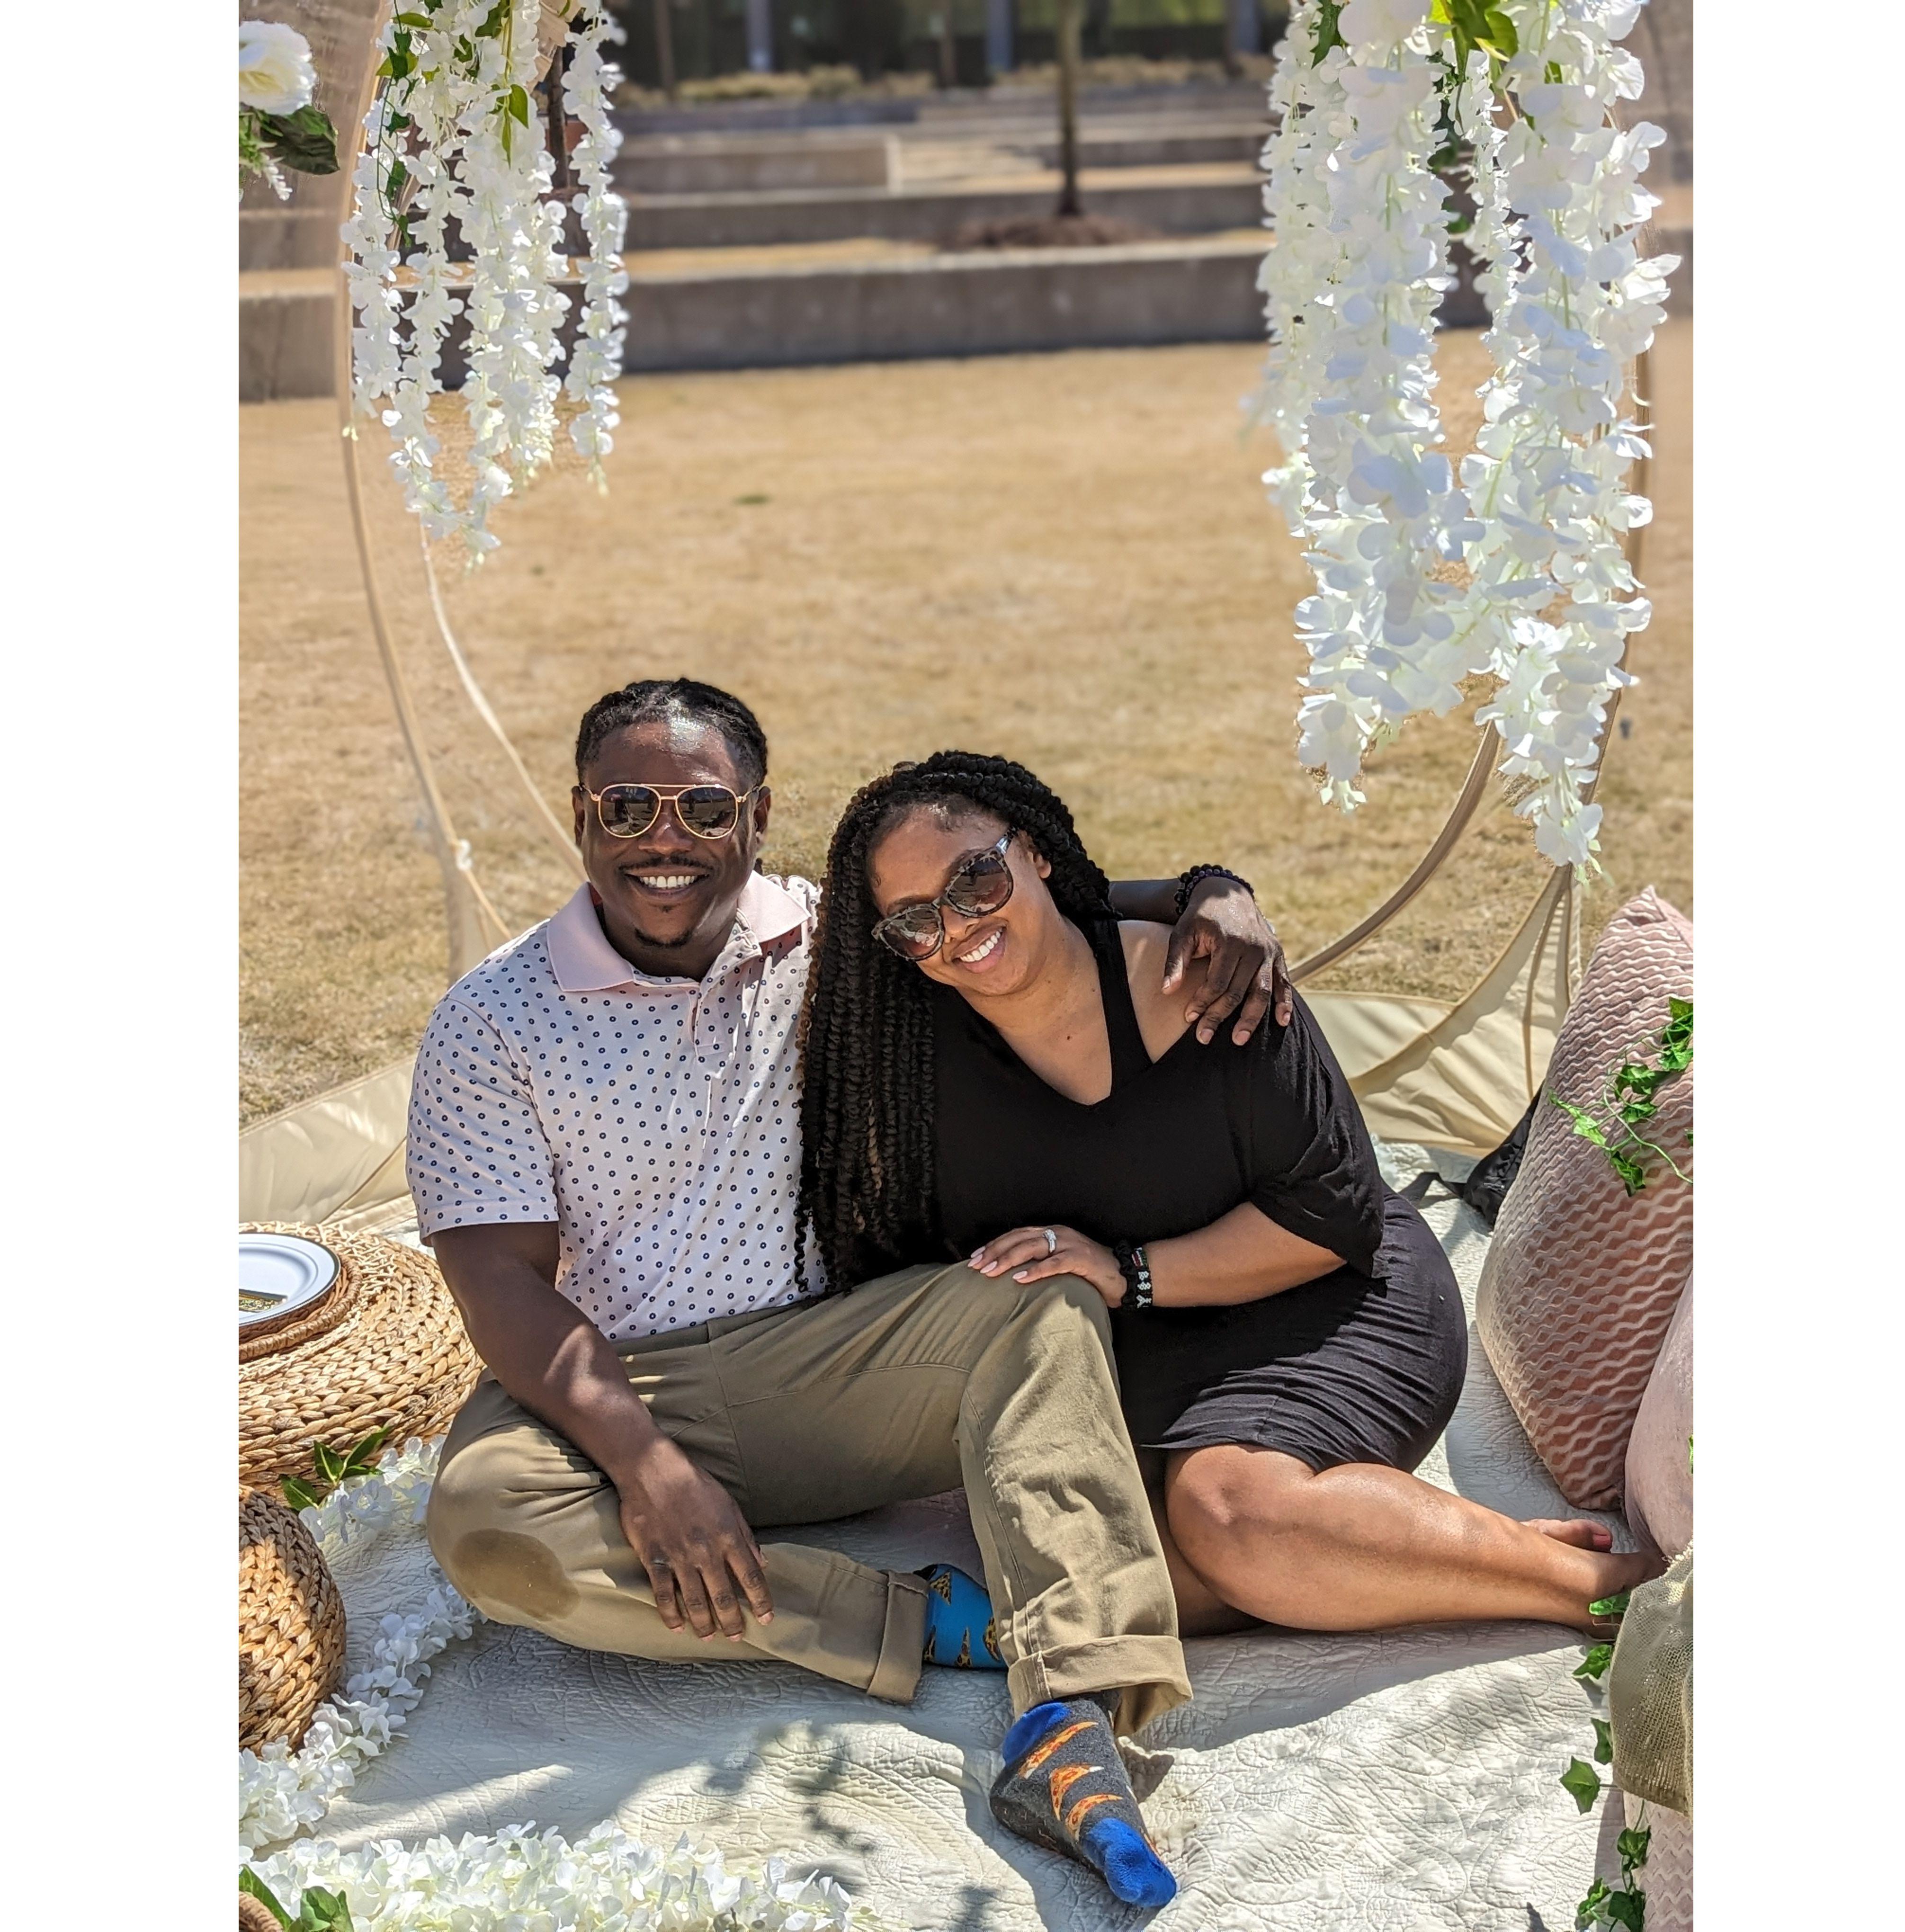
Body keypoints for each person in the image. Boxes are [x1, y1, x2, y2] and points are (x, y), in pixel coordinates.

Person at [407, 679, 1290, 1909]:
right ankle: (931, 1623)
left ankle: (1072, 1721)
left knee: (1038, 1302)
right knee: (483, 1519)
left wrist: (1210, 892)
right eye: (628, 806)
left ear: (759, 815)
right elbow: (497, 1280)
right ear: (581, 815)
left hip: (839, 1365)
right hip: (628, 1383)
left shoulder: (835, 940)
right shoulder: (493, 1019)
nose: (665, 838)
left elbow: (1025, 905)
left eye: (703, 806)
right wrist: (646, 1466)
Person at [799, 750, 1663, 1659]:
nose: (959, 927)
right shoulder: (903, 1059)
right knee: (1106, 1574)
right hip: (1139, 1353)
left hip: (1325, 1298)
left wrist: (1126, 1270)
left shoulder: (1208, 974)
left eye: (977, 878)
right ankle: (1460, 1548)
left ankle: (1613, 1595)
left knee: (1230, 1515)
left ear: (1037, 854)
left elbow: (1333, 1212)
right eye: (916, 920)